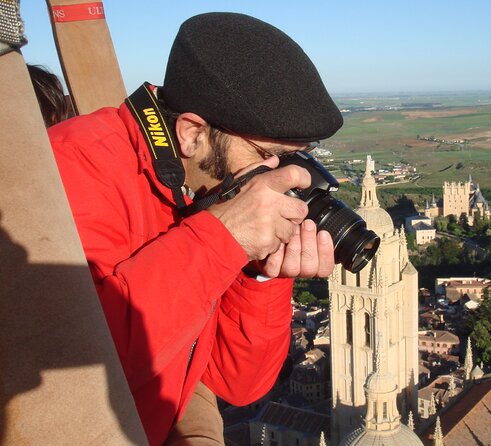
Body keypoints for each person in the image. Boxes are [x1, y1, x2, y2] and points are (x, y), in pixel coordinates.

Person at [48, 13, 343, 445]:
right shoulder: (72, 168)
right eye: (270, 156)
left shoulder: (200, 192)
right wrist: (221, 239)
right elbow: (76, 364)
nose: (282, 179)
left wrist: (262, 273)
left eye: (297, 161)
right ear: (191, 134)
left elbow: (237, 384)